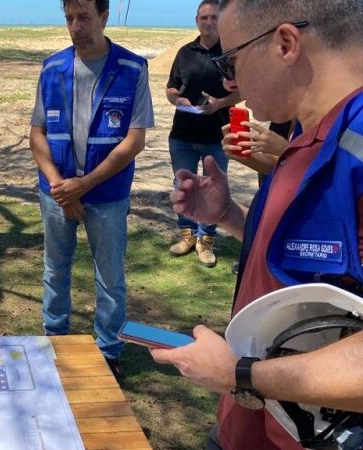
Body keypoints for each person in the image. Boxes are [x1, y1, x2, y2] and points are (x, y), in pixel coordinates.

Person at [151, 1, 363, 448]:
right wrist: (228, 217)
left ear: (286, 43)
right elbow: (307, 266)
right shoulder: (309, 139)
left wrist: (238, 374)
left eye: (231, 59)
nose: (230, 81)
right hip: (252, 426)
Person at [29, 0, 154, 378]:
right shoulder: (52, 68)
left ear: (103, 17)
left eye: (84, 17)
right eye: (69, 18)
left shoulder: (132, 68)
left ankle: (109, 351)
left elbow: (134, 140)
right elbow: (37, 132)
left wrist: (84, 185)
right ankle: (55, 340)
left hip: (107, 195)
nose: (75, 26)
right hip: (56, 192)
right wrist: (58, 184)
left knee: (110, 277)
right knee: (55, 269)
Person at [165, 0, 241, 268]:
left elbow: (242, 90)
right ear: (196, 20)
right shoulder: (185, 52)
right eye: (203, 17)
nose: (208, 22)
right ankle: (186, 235)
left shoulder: (230, 53)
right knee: (182, 187)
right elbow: (171, 88)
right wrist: (178, 101)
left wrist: (219, 104)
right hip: (182, 136)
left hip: (217, 137)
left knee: (213, 191)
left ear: (220, 20)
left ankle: (206, 240)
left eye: (213, 17)